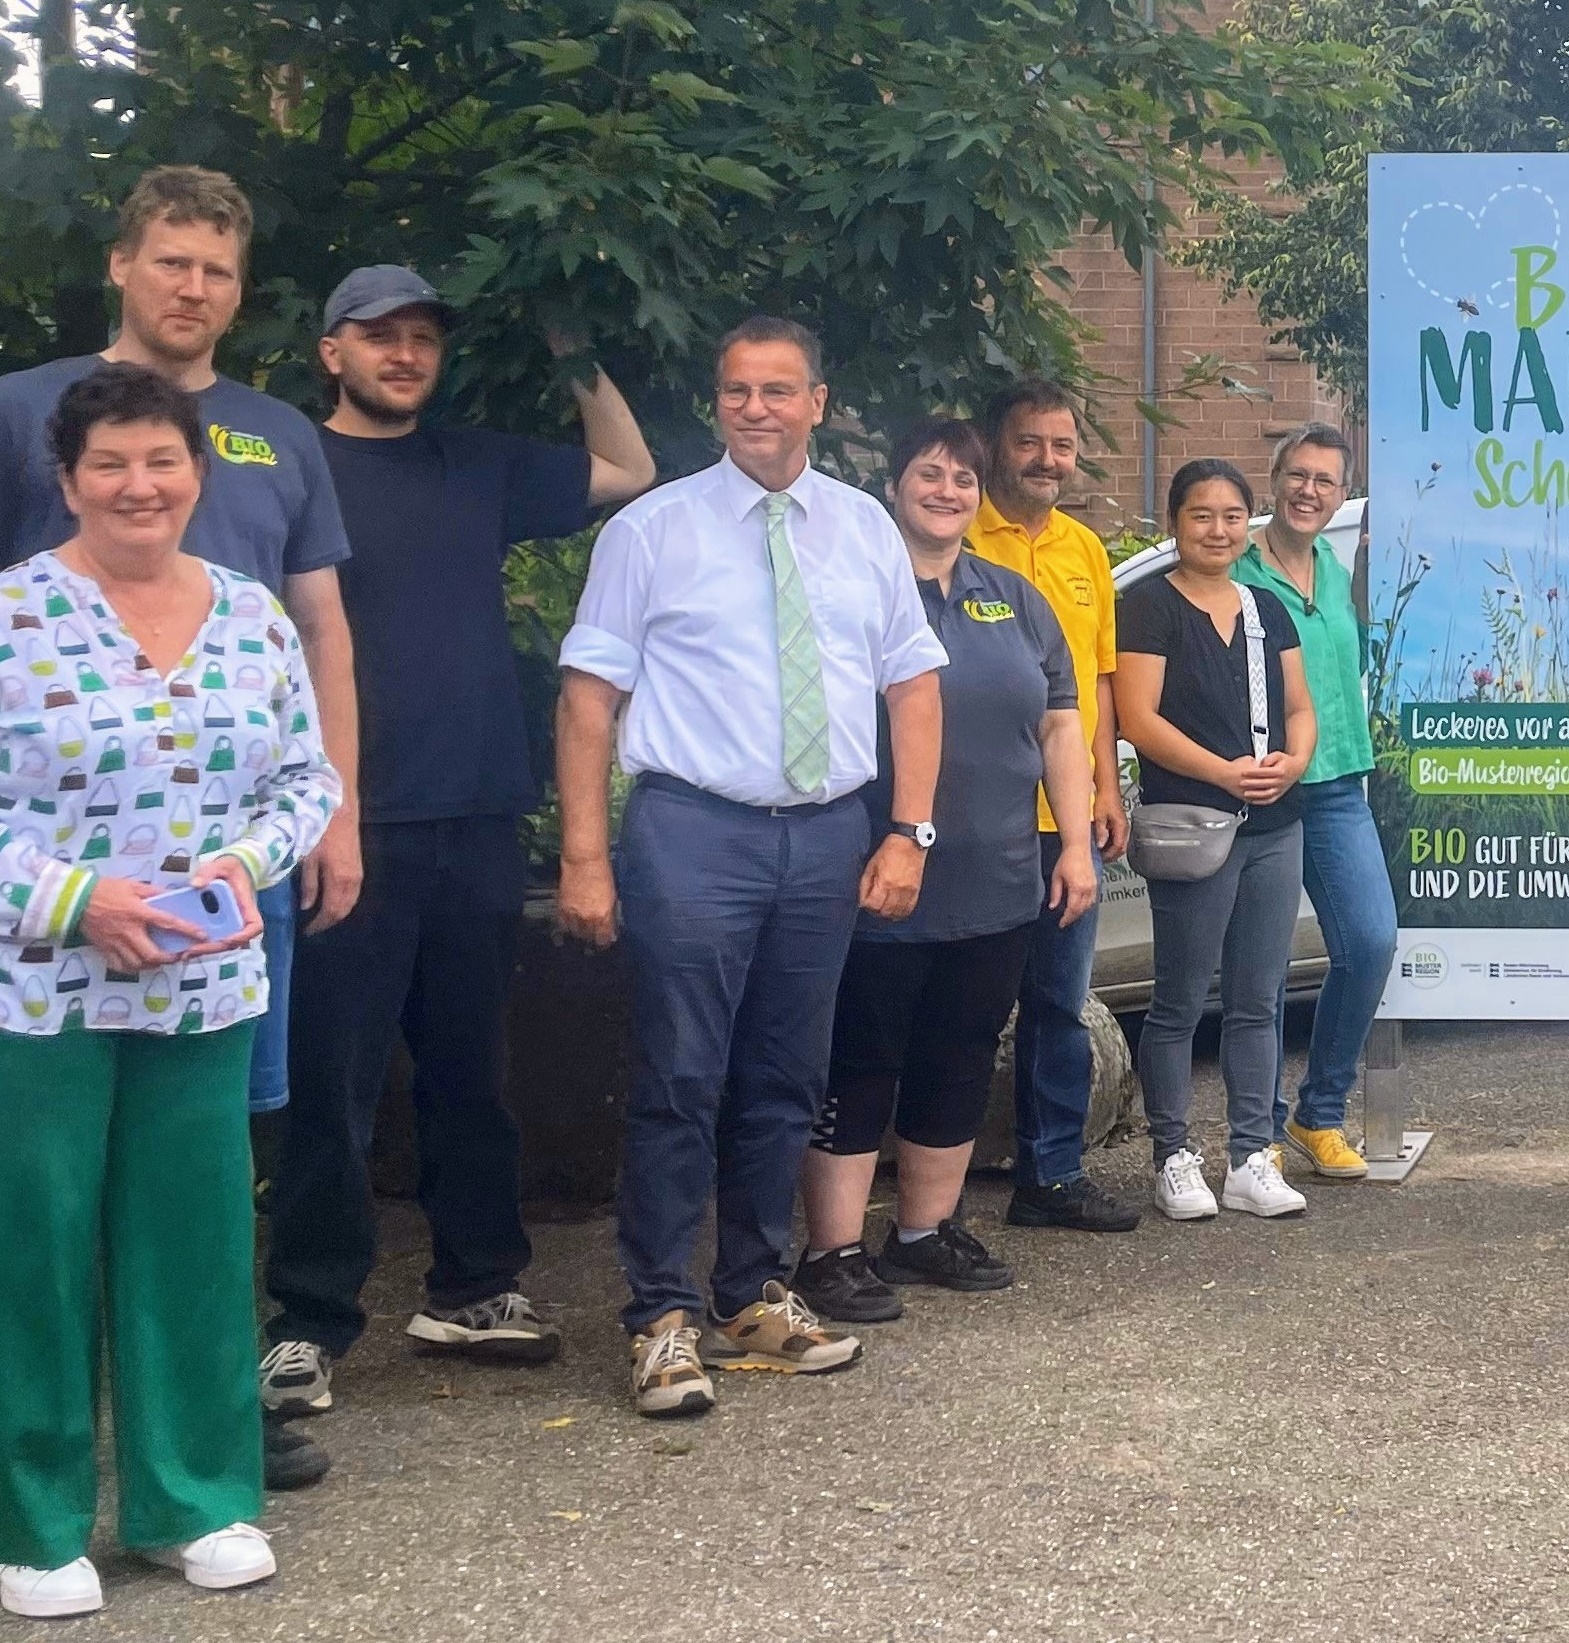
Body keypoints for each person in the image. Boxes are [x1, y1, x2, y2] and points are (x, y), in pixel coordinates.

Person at [0, 163, 357, 1492]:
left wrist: (327, 821)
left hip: (219, 898)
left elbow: (320, 636)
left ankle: (198, 1455)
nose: (193, 286)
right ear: (121, 263)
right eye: (171, 260)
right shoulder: (22, 411)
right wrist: (65, 893)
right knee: (38, 1216)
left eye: (217, 268)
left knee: (201, 1188)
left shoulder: (274, 441)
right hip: (38, 926)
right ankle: (41, 1486)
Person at [255, 266, 656, 1424]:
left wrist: (572, 346)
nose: (404, 353)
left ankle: (475, 1287)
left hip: (477, 812)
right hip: (343, 824)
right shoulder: (291, 469)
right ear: (332, 350)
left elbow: (628, 470)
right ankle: (308, 1321)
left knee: (472, 1069)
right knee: (332, 1085)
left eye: (422, 337)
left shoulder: (477, 463)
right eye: (379, 335)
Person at [554, 317, 947, 1416]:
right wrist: (585, 854)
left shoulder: (863, 528)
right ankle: (660, 1316)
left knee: (786, 1076)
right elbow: (588, 699)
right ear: (717, 402)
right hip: (694, 832)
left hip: (826, 835)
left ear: (817, 402)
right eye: (737, 390)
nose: (756, 408)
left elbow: (913, 684)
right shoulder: (651, 530)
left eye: (779, 390)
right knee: (682, 1075)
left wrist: (908, 831)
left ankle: (749, 1294)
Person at [790, 418, 1097, 1325]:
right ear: (894, 486)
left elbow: (1061, 725)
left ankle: (923, 1231)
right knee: (861, 1059)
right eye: (929, 473)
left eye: (963, 478)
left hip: (997, 877)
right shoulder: (852, 588)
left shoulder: (1013, 598)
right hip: (877, 873)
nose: (947, 490)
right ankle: (829, 1251)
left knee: (961, 1054)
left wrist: (1074, 843)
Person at [1119, 459, 1317, 1222]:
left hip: (1273, 825)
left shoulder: (1267, 608)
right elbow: (1139, 719)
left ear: (1248, 524)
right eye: (1201, 515)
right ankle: (1172, 1155)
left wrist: (1292, 762)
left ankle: (1249, 1156)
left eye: (1232, 516)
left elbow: (1299, 708)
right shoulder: (1149, 606)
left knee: (1257, 999)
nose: (1217, 530)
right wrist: (1223, 772)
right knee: (1178, 1000)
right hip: (1192, 825)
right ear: (1175, 522)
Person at [965, 379, 1141, 1234]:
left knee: (1059, 1005)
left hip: (1064, 822)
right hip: (973, 820)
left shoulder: (1085, 551)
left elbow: (1098, 684)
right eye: (1029, 441)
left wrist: (1106, 789)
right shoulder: (955, 532)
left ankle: (1051, 1175)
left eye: (1062, 445)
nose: (1047, 460)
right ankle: (931, 1198)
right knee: (961, 1007)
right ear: (994, 445)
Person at [1232, 422, 1395, 1181]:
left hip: (1334, 783)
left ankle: (1318, 1113)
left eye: (1325, 480)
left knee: (1370, 943)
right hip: (1258, 789)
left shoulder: (1336, 568)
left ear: (1341, 493)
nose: (1308, 490)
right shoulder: (1234, 563)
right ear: (1274, 479)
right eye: (1297, 475)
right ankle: (1257, 1131)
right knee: (1260, 970)